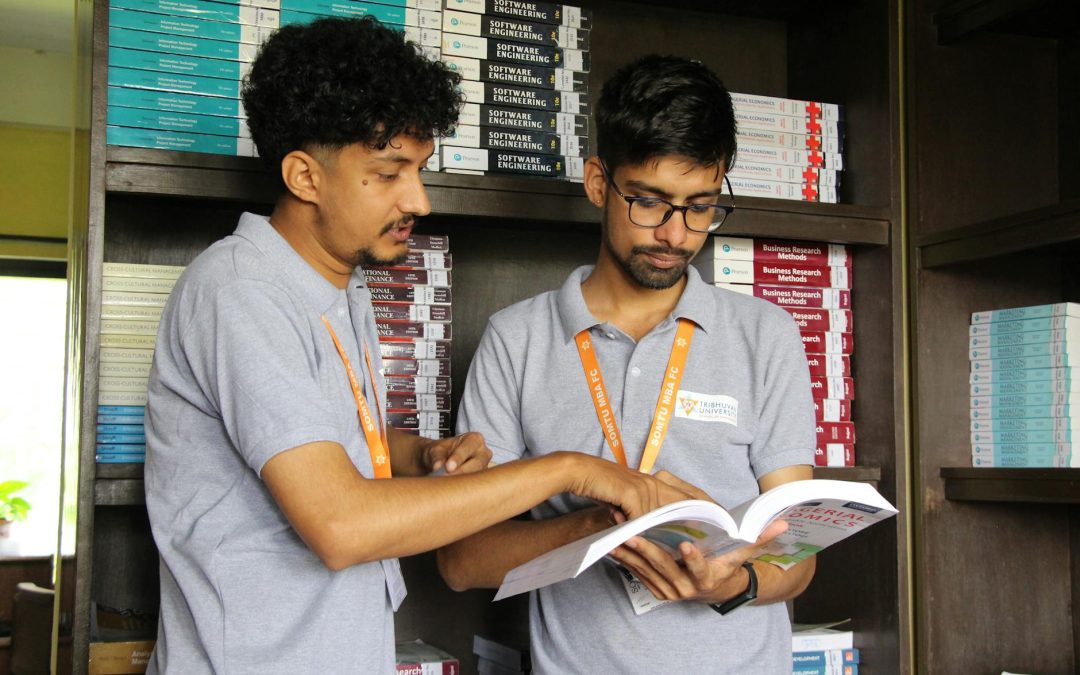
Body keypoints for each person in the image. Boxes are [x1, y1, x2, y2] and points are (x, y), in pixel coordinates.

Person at [142, 19, 691, 674]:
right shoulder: (240, 293)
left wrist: (419, 453)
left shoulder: (340, 287)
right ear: (304, 176)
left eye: (420, 169)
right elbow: (341, 524)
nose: (419, 198)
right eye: (389, 172)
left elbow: (337, 442)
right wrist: (572, 469)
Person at [440, 55, 818, 673]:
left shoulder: (765, 334)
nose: (675, 235)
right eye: (650, 202)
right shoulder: (516, 340)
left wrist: (730, 586)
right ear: (597, 182)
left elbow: (798, 557)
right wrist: (604, 521)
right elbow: (462, 563)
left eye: (700, 206)